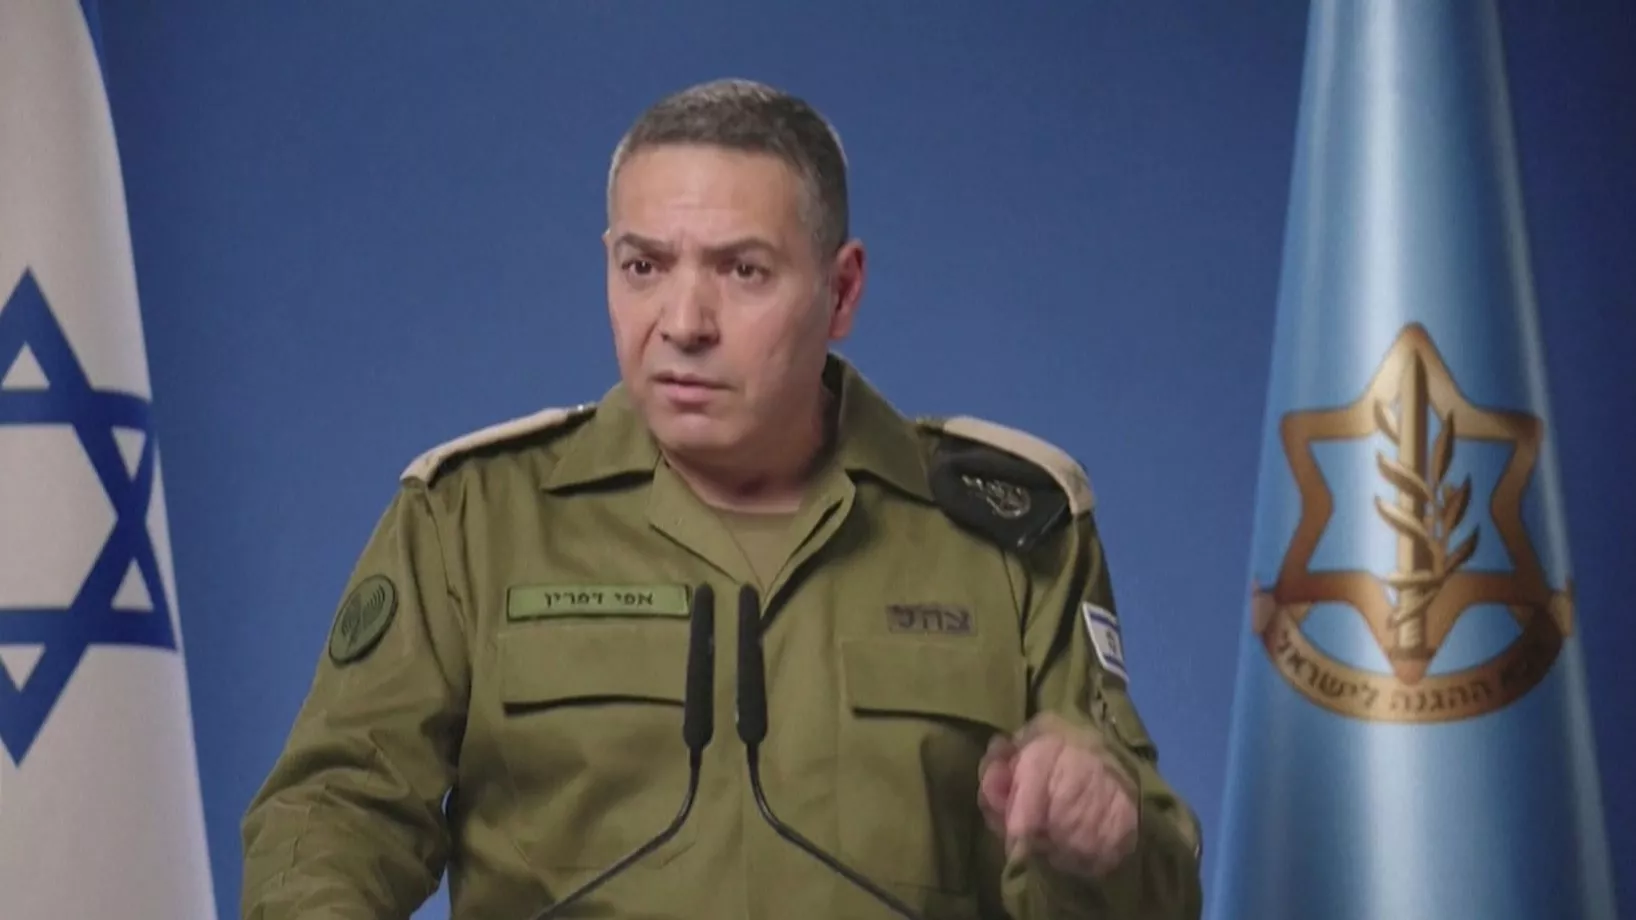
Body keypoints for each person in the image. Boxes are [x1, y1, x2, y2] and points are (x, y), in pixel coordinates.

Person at [240, 77, 1203, 920]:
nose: (683, 323)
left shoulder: (1008, 534)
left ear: (841, 291)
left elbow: (1157, 896)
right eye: (644, 267)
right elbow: (336, 811)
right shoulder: (471, 522)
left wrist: (1106, 835)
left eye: (743, 270)